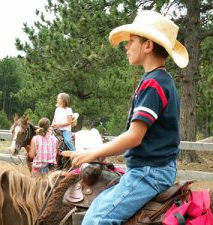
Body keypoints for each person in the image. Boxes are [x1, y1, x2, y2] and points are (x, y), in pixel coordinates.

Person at [71, 10, 189, 224]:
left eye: (131, 41)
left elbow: (134, 137)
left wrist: (93, 154)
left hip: (150, 172)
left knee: (96, 219)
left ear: (148, 45)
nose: (126, 47)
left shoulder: (154, 84)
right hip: (150, 168)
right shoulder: (159, 80)